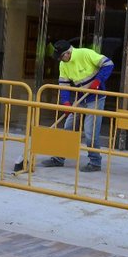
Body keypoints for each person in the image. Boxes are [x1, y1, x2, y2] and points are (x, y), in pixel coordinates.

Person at [40, 39, 114, 172]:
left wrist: (98, 81)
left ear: (68, 53)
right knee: (68, 127)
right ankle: (59, 158)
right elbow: (64, 85)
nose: (60, 60)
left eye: (61, 56)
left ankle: (95, 162)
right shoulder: (63, 64)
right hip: (80, 98)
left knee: (90, 131)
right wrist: (66, 103)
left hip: (96, 98)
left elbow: (108, 64)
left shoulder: (85, 54)